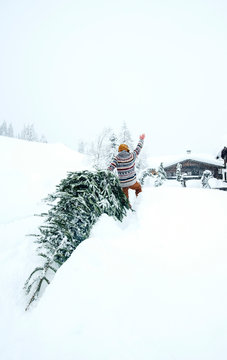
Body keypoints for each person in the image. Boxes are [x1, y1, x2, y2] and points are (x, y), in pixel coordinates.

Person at [108, 134, 145, 200]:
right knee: (138, 187)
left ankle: (128, 207)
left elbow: (110, 168)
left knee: (125, 199)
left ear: (119, 150)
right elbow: (138, 148)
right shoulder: (132, 156)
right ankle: (139, 202)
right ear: (127, 149)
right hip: (132, 182)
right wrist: (141, 140)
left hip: (122, 183)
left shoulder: (116, 158)